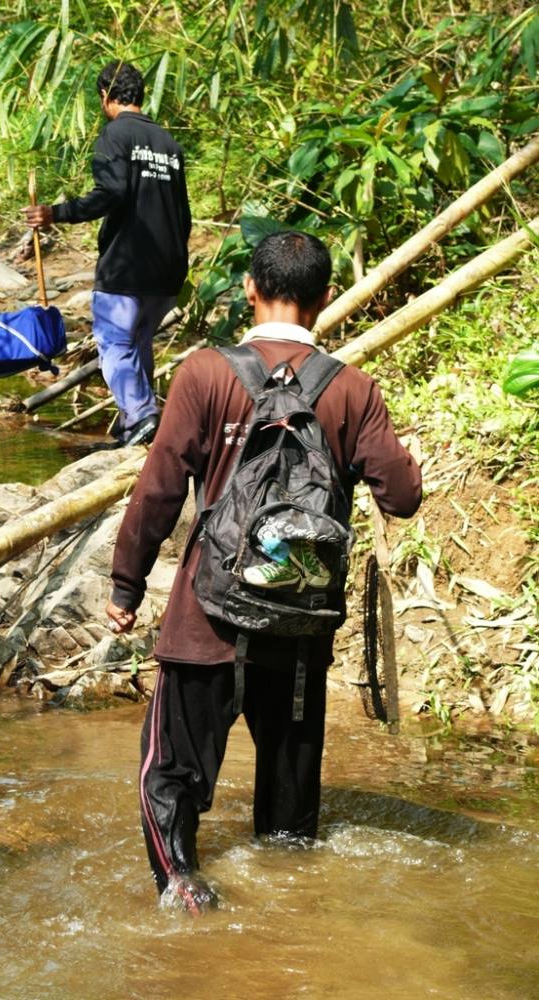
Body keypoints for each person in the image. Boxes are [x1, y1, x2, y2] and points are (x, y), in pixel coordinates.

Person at [105, 231, 422, 914]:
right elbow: (401, 498)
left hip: (206, 621)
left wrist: (126, 587)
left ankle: (183, 889)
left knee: (170, 777)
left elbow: (158, 489)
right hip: (299, 630)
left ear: (250, 289)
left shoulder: (205, 373)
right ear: (325, 298)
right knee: (289, 823)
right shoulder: (353, 390)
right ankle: (290, 926)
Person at [24, 60, 191, 446]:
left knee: (115, 345)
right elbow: (184, 214)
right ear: (141, 95)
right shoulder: (168, 143)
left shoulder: (116, 135)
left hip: (127, 267)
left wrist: (57, 213)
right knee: (139, 342)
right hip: (166, 270)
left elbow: (111, 192)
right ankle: (139, 423)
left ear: (105, 96)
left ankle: (141, 415)